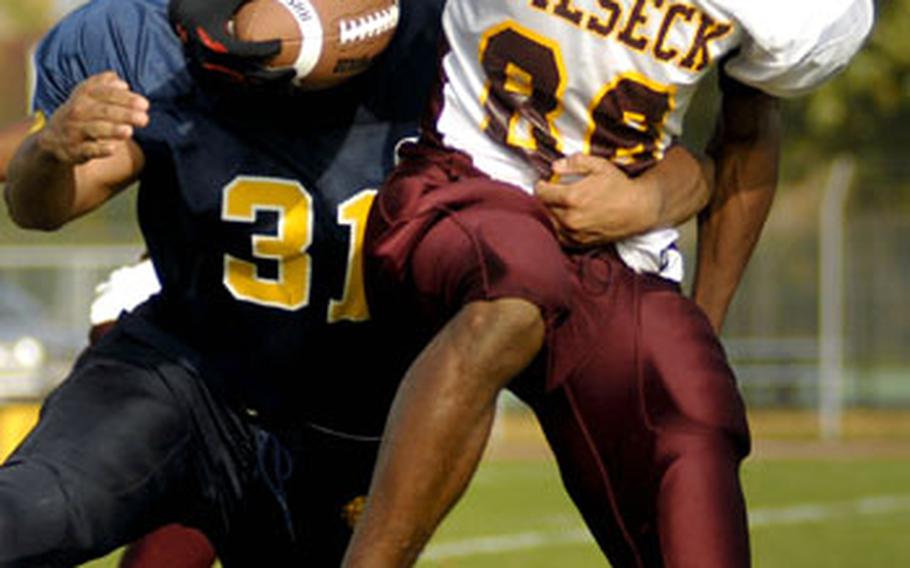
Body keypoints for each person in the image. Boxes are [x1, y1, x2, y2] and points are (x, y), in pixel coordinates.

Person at [0, 0, 709, 564]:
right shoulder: (140, 34)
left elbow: (677, 165)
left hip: (354, 436)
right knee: (32, 512)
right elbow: (42, 206)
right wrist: (48, 150)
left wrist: (646, 200)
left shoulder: (462, 36)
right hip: (184, 376)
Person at [341, 1, 876, 567]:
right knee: (516, 287)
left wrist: (699, 328)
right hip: (463, 180)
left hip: (617, 249)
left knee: (690, 402)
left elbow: (746, 137)